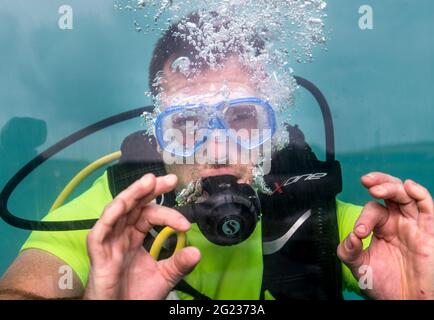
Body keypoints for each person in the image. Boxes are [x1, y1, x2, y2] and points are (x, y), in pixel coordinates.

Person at [0, 12, 433, 300]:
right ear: (158, 137)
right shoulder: (113, 218)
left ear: (275, 132)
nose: (218, 149)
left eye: (243, 118)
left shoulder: (326, 222)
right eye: (187, 126)